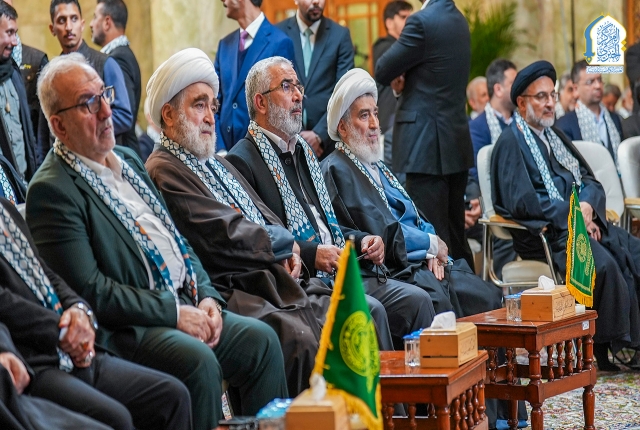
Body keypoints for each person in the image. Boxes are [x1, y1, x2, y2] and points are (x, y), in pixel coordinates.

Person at [26, 53, 288, 430]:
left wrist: (208, 298)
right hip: (131, 328)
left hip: (184, 301)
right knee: (198, 360)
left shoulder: (129, 160)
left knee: (262, 341)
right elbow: (93, 291)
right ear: (58, 125)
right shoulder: (52, 190)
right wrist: (174, 313)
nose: (106, 111)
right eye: (88, 103)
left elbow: (177, 241)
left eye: (105, 95)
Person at [144, 48, 331, 396]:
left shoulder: (214, 161)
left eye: (212, 106)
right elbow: (222, 232)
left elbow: (262, 211)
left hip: (269, 275)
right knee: (300, 338)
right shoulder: (164, 167)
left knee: (352, 312)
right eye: (198, 105)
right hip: (235, 286)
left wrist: (288, 247)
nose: (209, 117)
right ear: (168, 114)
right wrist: (282, 245)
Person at [226, 56, 436, 351]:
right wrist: (313, 255)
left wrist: (363, 240)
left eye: (298, 86)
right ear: (260, 102)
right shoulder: (242, 160)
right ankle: (381, 385)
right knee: (371, 310)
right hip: (302, 282)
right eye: (286, 87)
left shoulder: (303, 151)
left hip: (342, 269)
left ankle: (424, 383)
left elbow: (328, 229)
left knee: (417, 300)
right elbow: (263, 239)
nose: (298, 95)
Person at [491, 60, 640, 371]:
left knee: (634, 251)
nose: (549, 103)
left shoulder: (554, 135)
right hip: (551, 235)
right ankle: (606, 345)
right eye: (541, 97)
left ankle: (634, 344)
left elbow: (590, 181)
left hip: (581, 223)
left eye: (552, 95)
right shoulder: (511, 142)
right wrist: (576, 220)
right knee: (606, 266)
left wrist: (588, 210)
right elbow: (524, 204)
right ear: (522, 103)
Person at [321, 68, 502, 317]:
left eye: (375, 113)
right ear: (342, 127)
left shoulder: (377, 165)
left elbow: (414, 213)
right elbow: (381, 230)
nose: (374, 124)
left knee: (487, 294)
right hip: (394, 269)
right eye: (364, 115)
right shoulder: (337, 169)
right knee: (451, 300)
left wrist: (432, 248)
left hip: (419, 260)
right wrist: (429, 245)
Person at [0, 195, 192, 430]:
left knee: (173, 396)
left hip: (75, 342)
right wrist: (65, 331)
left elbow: (45, 273)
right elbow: (5, 304)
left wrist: (79, 310)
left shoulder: (5, 207)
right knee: (117, 418)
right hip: (35, 359)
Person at [375, 0, 475, 269]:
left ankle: (447, 296)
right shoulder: (459, 20)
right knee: (456, 237)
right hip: (454, 142)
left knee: (433, 242)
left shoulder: (421, 21)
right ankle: (471, 291)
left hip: (426, 147)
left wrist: (402, 80)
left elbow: (383, 69)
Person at [45, 0, 132, 161]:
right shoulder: (53, 74)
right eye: (62, 20)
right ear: (52, 29)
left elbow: (124, 116)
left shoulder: (105, 62)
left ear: (82, 24)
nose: (69, 27)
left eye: (74, 19)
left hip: (104, 159)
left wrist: (83, 127)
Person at [0, 323, 114, 430]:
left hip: (75, 351)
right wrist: (65, 330)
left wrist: (81, 312)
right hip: (40, 361)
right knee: (113, 417)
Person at [277, 0, 354, 159]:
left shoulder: (340, 35)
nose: (316, 2)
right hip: (286, 139)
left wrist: (319, 135)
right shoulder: (279, 33)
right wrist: (293, 134)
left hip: (329, 142)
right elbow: (275, 86)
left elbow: (344, 91)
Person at [215, 0, 295, 152]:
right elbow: (214, 101)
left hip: (260, 153)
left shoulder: (280, 42)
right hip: (223, 154)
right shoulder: (224, 44)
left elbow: (283, 105)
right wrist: (220, 149)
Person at [90, 0, 142, 156]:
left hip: (122, 154)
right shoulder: (122, 54)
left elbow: (124, 115)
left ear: (107, 22)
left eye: (95, 17)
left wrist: (88, 128)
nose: (91, 24)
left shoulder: (118, 59)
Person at [555, 60, 623, 167]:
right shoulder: (564, 125)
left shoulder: (615, 119)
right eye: (590, 82)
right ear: (576, 89)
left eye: (599, 80)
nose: (598, 86)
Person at [372, 0, 412, 168]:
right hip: (389, 123)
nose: (409, 21)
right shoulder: (383, 46)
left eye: (411, 17)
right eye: (403, 17)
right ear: (389, 23)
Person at [0, 3, 38, 183]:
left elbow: (27, 136)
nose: (15, 42)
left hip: (23, 184)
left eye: (15, 33)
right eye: (9, 33)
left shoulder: (14, 73)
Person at [469, 59, 517, 180]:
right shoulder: (477, 127)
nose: (518, 88)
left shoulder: (524, 121)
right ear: (498, 89)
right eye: (513, 83)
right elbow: (477, 173)